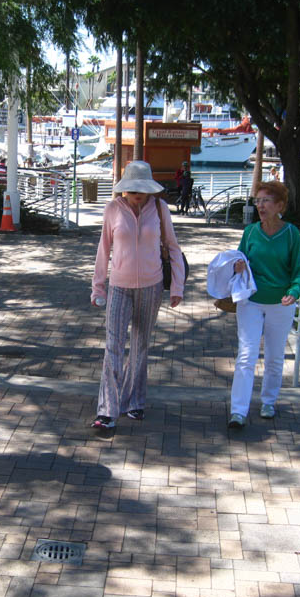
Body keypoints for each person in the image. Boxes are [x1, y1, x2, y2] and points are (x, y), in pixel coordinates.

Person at [90, 160, 185, 430]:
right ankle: (107, 409)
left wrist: (177, 286)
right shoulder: (112, 210)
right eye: (132, 189)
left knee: (140, 345)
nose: (137, 193)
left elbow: (173, 248)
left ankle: (134, 402)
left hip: (152, 286)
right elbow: (103, 250)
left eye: (142, 188)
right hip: (119, 286)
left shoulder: (159, 208)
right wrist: (98, 287)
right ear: (124, 189)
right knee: (114, 346)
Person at [228, 180, 300, 427]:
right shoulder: (250, 232)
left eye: (266, 201)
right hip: (251, 302)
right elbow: (239, 260)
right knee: (246, 355)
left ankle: (268, 402)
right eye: (257, 201)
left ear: (280, 205)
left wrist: (294, 291)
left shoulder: (291, 233)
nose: (260, 206)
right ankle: (238, 411)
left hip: (280, 304)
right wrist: (237, 266)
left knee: (274, 357)